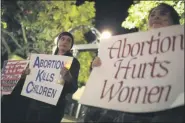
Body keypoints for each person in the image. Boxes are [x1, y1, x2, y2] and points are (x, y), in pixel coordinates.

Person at [91, 3, 184, 122]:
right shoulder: (131, 50)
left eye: (163, 13)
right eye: (152, 15)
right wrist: (99, 68)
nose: (156, 17)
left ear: (175, 23)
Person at [25, 32, 80, 123]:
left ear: (71, 46)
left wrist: (68, 77)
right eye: (62, 39)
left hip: (53, 109)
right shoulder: (46, 59)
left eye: (68, 41)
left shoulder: (73, 62)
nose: (65, 42)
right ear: (58, 42)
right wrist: (28, 73)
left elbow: (73, 88)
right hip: (35, 106)